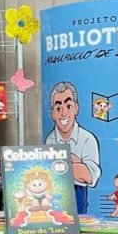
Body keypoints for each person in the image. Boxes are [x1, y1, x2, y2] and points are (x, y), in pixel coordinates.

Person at [44, 81, 101, 213]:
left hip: (78, 192)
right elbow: (48, 171)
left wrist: (61, 161)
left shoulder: (88, 139)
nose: (63, 113)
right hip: (55, 194)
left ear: (76, 108)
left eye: (68, 106)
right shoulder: (50, 139)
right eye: (58, 108)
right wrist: (74, 161)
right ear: (53, 113)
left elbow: (89, 176)